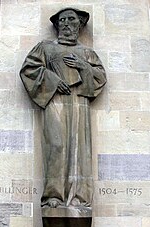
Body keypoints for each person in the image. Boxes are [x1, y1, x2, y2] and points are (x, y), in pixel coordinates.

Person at [20, 8, 106, 208]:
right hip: (55, 100)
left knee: (79, 148)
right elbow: (29, 69)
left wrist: (83, 66)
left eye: (71, 20)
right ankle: (54, 196)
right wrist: (52, 80)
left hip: (79, 102)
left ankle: (80, 197)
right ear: (57, 25)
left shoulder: (87, 52)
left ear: (80, 25)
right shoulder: (45, 47)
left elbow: (100, 77)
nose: (66, 23)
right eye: (62, 20)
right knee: (56, 145)